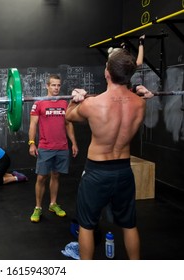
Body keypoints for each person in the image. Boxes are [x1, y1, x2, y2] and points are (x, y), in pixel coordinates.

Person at [65, 48, 154, 260]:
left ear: (107, 73)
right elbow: (129, 103)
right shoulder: (140, 103)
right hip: (124, 171)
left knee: (86, 225)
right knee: (129, 225)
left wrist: (75, 99)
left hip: (97, 172)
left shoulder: (92, 104)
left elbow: (68, 116)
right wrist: (142, 94)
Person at [28, 74, 78, 223]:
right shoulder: (39, 103)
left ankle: (53, 204)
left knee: (56, 175)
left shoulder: (65, 103)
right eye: (53, 85)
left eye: (58, 85)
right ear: (47, 86)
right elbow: (33, 124)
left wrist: (74, 143)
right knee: (41, 177)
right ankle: (38, 207)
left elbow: (68, 124)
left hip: (62, 147)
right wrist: (31, 142)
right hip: (45, 147)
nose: (56, 88)